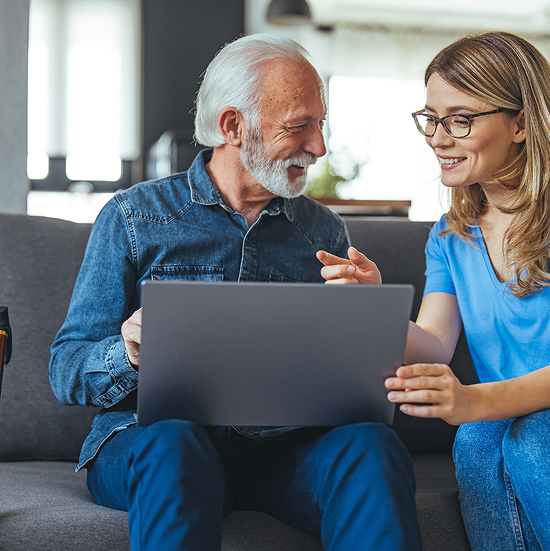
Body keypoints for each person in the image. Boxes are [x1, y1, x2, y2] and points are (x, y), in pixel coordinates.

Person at [49, 34, 422, 551]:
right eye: (299, 126)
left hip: (284, 453)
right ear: (232, 126)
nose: (319, 146)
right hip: (158, 443)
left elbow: (356, 385)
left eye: (321, 124)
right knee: (174, 442)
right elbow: (66, 369)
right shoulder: (134, 217)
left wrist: (368, 327)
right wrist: (127, 352)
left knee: (372, 445)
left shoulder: (325, 233)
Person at [319, 30, 550, 551]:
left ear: (520, 123)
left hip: (531, 427)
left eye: (461, 119)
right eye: (431, 118)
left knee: (524, 436)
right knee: (478, 440)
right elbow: (432, 345)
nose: (438, 138)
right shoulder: (450, 234)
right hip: (501, 424)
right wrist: (374, 307)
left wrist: (473, 401)